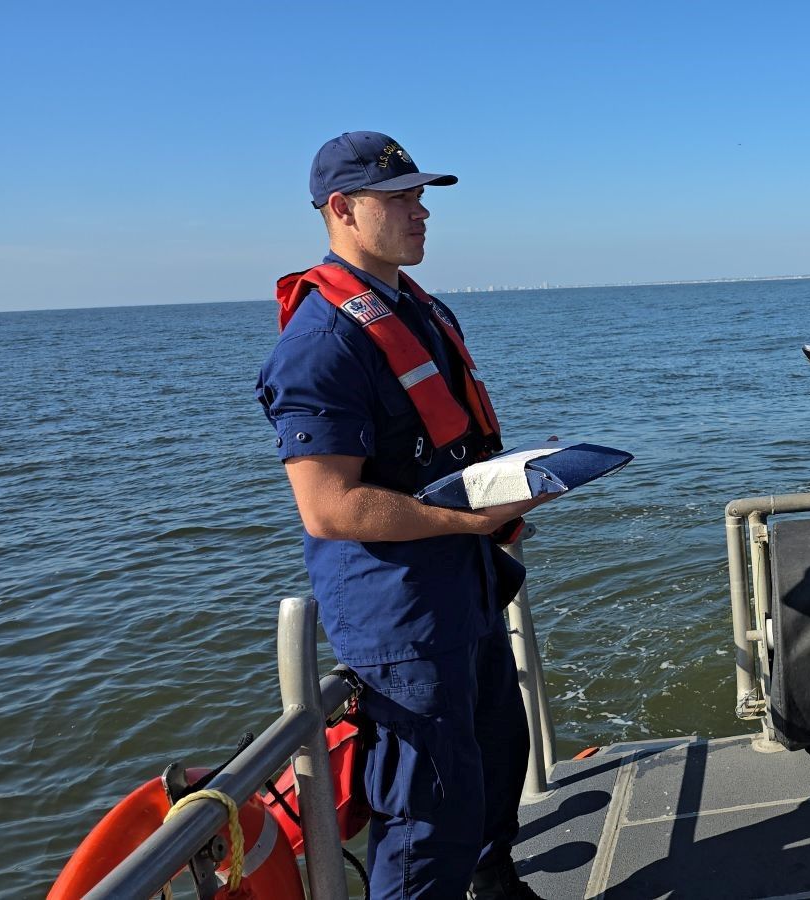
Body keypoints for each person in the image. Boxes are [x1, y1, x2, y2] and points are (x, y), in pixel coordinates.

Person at [257, 131, 547, 899]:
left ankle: (496, 882)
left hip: (468, 592)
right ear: (343, 209)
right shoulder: (319, 345)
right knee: (426, 818)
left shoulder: (415, 307)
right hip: (406, 624)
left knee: (491, 762)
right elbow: (327, 506)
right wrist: (468, 523)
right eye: (400, 199)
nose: (421, 212)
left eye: (421, 197)